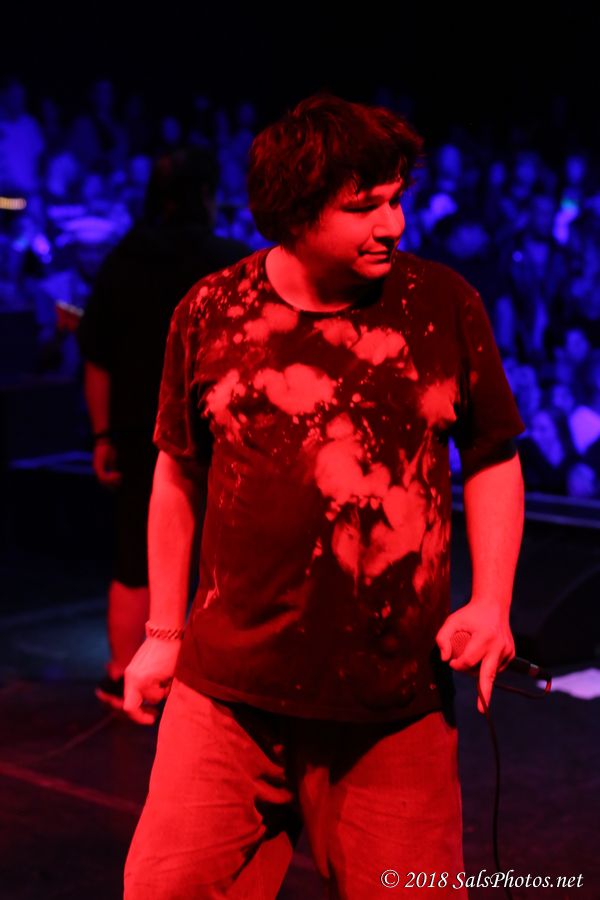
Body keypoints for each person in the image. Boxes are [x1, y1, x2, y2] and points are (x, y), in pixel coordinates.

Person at [123, 94, 526, 898]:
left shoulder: (443, 305)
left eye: (396, 200)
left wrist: (492, 603)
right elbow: (177, 474)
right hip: (227, 697)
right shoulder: (210, 309)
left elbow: (492, 458)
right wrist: (162, 633)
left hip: (393, 707)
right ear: (295, 211)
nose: (393, 225)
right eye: (364, 207)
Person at [77, 147, 248, 709]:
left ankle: (120, 674)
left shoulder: (122, 261)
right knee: (216, 555)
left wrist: (102, 435)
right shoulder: (230, 263)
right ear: (208, 194)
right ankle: (206, 680)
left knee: (133, 553)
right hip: (216, 429)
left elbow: (96, 356)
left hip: (134, 426)